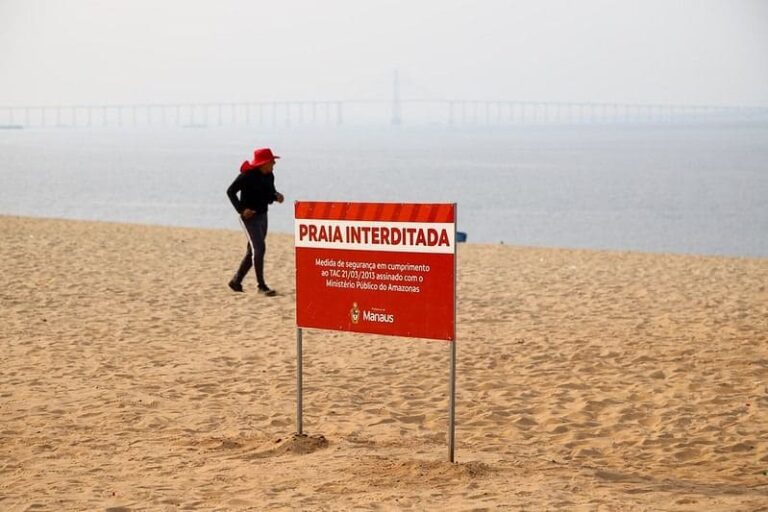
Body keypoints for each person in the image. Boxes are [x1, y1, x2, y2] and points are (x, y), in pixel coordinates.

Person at [226, 147, 284, 296]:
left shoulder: (269, 175)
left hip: (263, 215)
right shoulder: (247, 175)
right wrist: (241, 210)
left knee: (253, 251)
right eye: (272, 161)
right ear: (263, 163)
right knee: (259, 249)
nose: (274, 164)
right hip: (249, 218)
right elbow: (230, 191)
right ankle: (261, 286)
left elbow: (269, 193)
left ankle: (236, 281)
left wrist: (277, 196)